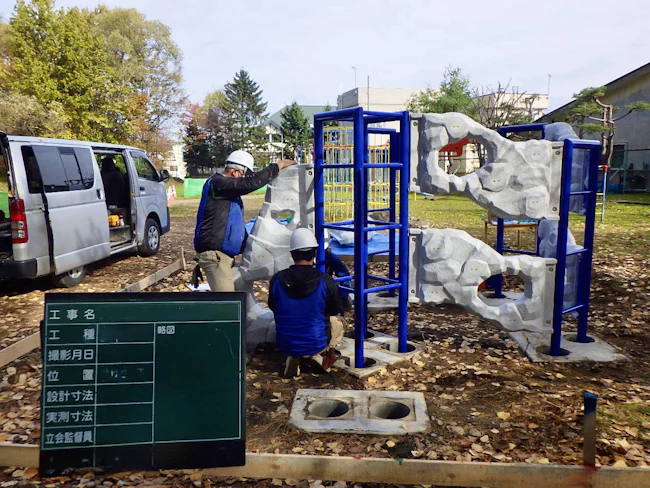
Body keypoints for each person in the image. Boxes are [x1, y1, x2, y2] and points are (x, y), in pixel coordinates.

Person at [193, 150, 297, 292]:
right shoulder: (218, 183)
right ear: (235, 172)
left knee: (237, 296)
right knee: (228, 302)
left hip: (223, 257)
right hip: (216, 257)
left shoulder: (226, 191)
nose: (244, 178)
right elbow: (250, 183)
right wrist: (278, 166)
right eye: (244, 174)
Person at [268, 228, 346, 377]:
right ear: (315, 253)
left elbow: (273, 306)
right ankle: (317, 354)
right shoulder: (325, 280)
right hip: (316, 341)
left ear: (292, 254)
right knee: (338, 320)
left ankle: (294, 356)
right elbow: (335, 308)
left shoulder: (277, 280)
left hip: (286, 343)